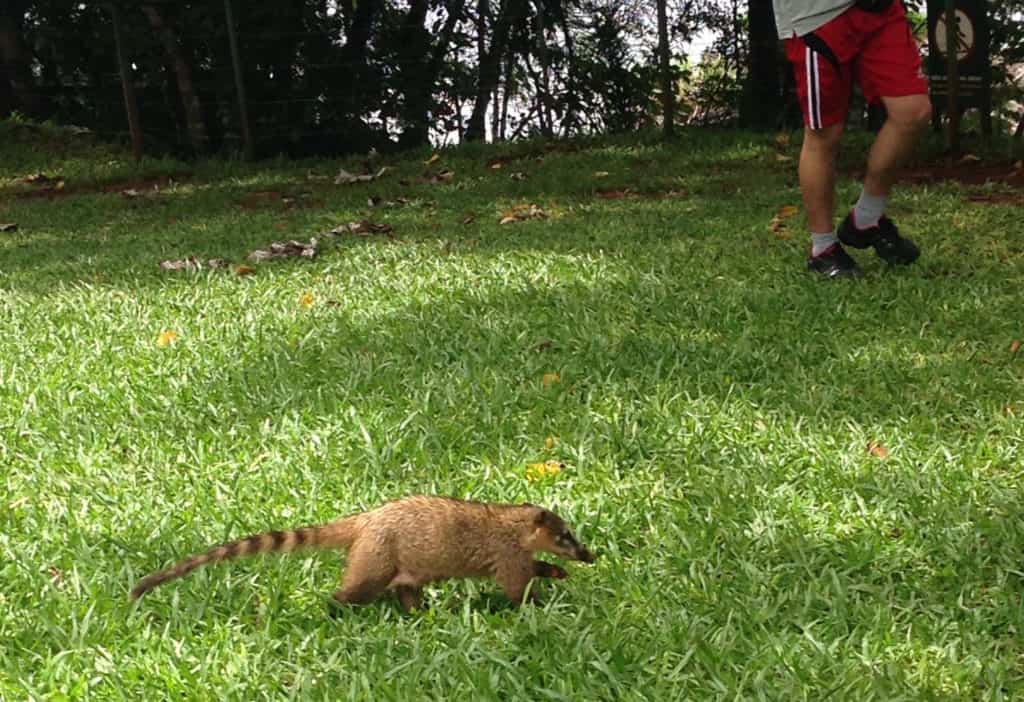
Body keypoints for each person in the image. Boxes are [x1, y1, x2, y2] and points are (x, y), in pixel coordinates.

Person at [774, 0, 933, 278]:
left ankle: (866, 218)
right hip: (816, 16)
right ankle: (823, 250)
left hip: (877, 8)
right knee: (825, 133)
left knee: (912, 112)